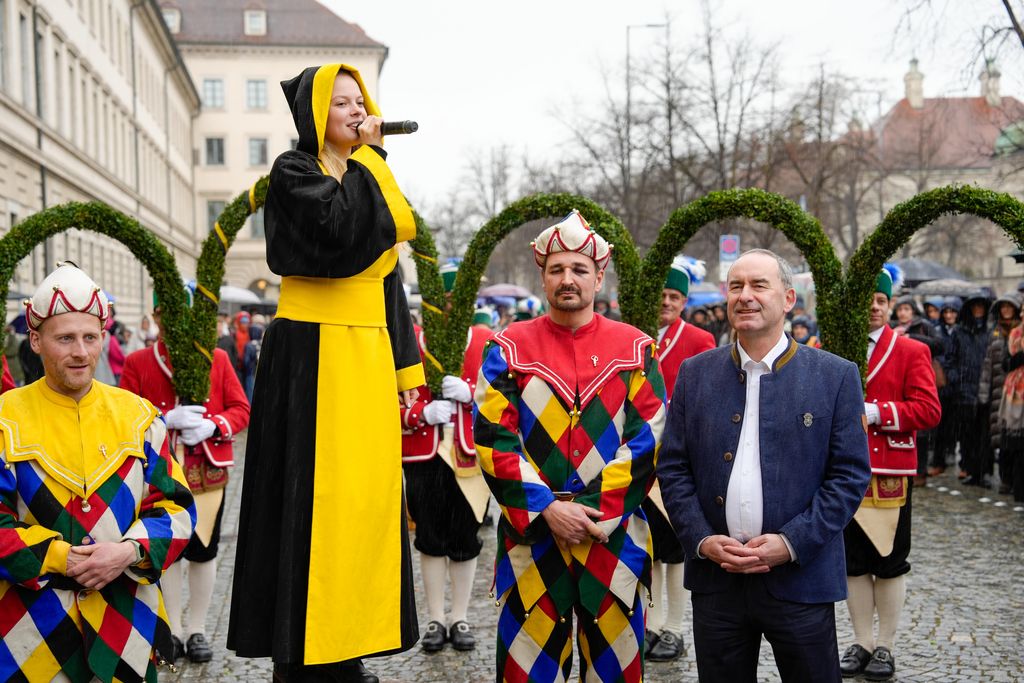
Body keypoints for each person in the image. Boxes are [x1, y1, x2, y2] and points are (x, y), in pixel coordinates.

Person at [227, 63, 424, 683]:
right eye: (340, 103)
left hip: (364, 360)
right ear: (315, 113)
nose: (354, 110)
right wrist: (371, 158)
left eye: (358, 100)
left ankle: (350, 643)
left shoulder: (367, 171)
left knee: (361, 506)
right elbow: (338, 231)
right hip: (310, 357)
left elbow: (389, 274)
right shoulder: (294, 172)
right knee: (308, 503)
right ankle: (300, 650)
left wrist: (407, 374)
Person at [657, 248, 871, 682]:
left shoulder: (835, 375)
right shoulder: (694, 373)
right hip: (717, 582)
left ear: (789, 298)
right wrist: (700, 540)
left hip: (801, 580)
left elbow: (849, 477)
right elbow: (674, 468)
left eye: (759, 285)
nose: (745, 296)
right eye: (736, 286)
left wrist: (790, 542)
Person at [474, 210, 666, 682]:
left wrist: (589, 514)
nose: (568, 279)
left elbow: (649, 440)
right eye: (557, 269)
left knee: (615, 674)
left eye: (579, 269)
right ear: (542, 276)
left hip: (612, 545)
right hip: (533, 546)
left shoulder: (637, 350)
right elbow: (492, 439)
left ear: (599, 277)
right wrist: (547, 510)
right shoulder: (507, 348)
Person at [0, 262, 195, 681]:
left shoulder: (139, 416)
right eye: (65, 338)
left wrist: (127, 551)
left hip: (128, 632)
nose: (81, 352)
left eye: (91, 338)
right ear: (35, 340)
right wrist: (61, 558)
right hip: (30, 639)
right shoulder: (4, 420)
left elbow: (177, 511)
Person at [120, 295, 250, 665]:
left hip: (208, 473)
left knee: (203, 551)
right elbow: (124, 418)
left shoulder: (218, 359)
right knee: (166, 552)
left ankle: (198, 629)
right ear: (157, 317)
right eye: (169, 315)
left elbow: (241, 408)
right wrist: (164, 419)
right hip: (159, 476)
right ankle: (173, 627)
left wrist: (214, 424)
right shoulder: (138, 362)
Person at [838, 268, 940, 681]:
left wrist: (878, 411)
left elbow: (929, 411)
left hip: (889, 469)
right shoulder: (835, 346)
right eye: (867, 301)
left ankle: (886, 646)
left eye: (880, 301)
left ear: (890, 305)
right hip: (843, 470)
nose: (874, 309)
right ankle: (861, 641)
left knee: (890, 561)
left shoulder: (911, 350)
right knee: (852, 562)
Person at [401, 299, 494, 654]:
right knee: (429, 537)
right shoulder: (412, 341)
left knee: (465, 538)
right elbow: (391, 401)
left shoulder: (484, 340)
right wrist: (421, 413)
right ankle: (436, 618)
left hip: (467, 456)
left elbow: (505, 395)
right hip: (424, 456)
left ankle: (460, 616)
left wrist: (472, 395)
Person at [644, 255, 715, 662]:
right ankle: (652, 623)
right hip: (640, 454)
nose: (666, 303)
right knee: (651, 547)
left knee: (678, 549)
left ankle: (675, 626)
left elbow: (703, 398)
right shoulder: (635, 334)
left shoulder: (698, 339)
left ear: (684, 302)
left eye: (674, 297)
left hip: (677, 454)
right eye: (662, 295)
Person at [978, 293, 1021, 493]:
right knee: (1001, 437)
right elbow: (988, 364)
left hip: (1016, 391)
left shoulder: (1018, 332)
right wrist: (984, 392)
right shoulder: (994, 333)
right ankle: (1005, 478)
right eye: (1002, 307)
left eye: (1008, 307)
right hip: (998, 389)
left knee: (1015, 437)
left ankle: (1014, 479)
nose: (1005, 311)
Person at [947, 293, 992, 483]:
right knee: (966, 433)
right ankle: (969, 467)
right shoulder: (959, 331)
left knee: (984, 434)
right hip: (964, 390)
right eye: (975, 307)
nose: (978, 311)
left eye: (981, 307)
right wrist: (956, 379)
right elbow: (950, 358)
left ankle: (983, 471)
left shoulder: (990, 331)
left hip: (985, 389)